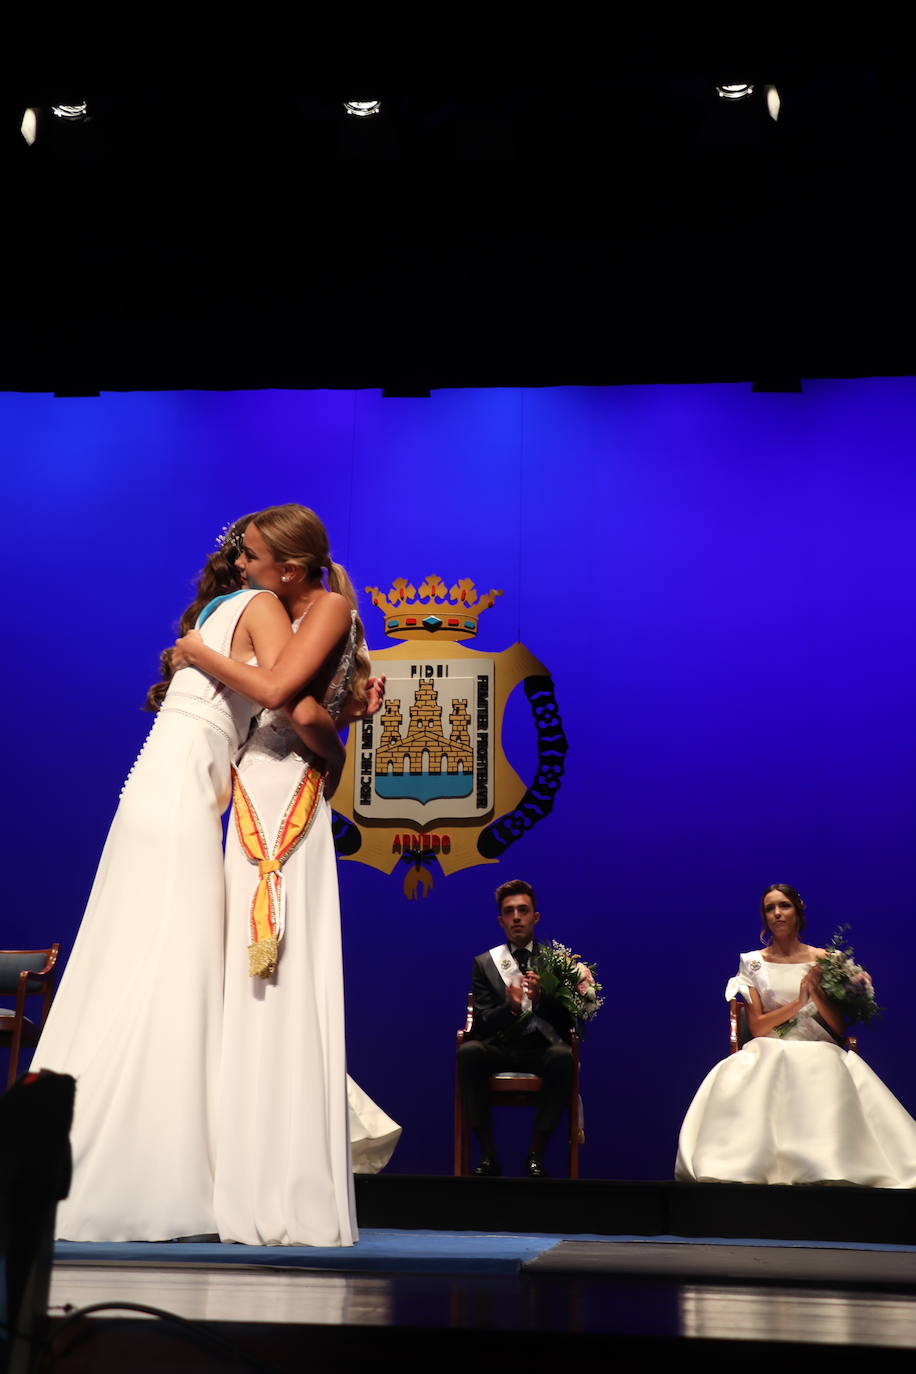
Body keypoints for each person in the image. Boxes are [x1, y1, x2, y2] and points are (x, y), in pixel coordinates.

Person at [31, 517, 306, 1240]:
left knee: (140, 957)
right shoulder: (265, 606)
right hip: (180, 796)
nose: (250, 563)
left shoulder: (216, 612)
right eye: (251, 555)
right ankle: (147, 1166)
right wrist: (337, 733)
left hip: (160, 789)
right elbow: (280, 691)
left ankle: (86, 1148)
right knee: (174, 962)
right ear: (280, 567)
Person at [171, 504, 398, 1244]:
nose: (242, 567)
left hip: (280, 790)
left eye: (254, 557)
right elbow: (309, 706)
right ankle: (240, 1162)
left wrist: (200, 654)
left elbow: (290, 707)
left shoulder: (327, 605)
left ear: (289, 569)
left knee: (275, 965)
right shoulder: (285, 613)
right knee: (247, 967)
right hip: (258, 785)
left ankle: (276, 1176)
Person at [676, 883, 916, 1187]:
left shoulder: (827, 959)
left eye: (784, 906)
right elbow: (759, 1027)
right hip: (769, 1044)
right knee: (765, 1058)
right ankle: (751, 1165)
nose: (777, 913)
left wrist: (817, 991)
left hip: (818, 1045)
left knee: (821, 1061)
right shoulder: (752, 962)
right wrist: (799, 1002)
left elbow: (839, 1030)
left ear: (797, 909)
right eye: (770, 908)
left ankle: (827, 1164)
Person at [456, 878, 573, 1178]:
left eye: (523, 910)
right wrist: (509, 1008)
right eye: (509, 912)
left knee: (563, 1057)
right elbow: (480, 1023)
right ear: (501, 920)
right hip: (500, 1047)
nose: (516, 917)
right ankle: (488, 1156)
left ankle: (536, 1154)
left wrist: (542, 998)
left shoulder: (556, 962)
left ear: (536, 917)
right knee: (469, 1051)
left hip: (539, 1050)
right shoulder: (485, 963)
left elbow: (568, 1023)